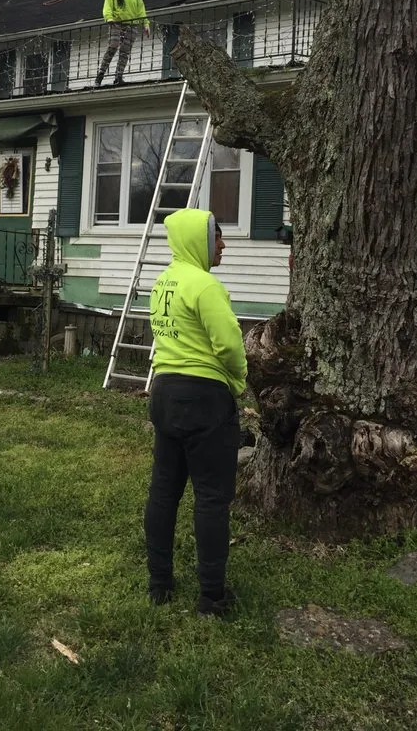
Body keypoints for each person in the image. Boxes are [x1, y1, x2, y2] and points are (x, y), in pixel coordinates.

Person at [145, 208, 247, 618]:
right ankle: (211, 597)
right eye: (217, 237)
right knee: (211, 497)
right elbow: (229, 345)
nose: (222, 245)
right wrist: (237, 383)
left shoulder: (161, 282)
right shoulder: (205, 286)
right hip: (205, 399)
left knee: (164, 491)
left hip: (164, 393)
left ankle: (159, 584)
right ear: (198, 241)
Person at [95, 0, 150, 87]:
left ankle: (118, 76)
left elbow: (140, 7)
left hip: (132, 24)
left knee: (125, 52)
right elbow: (107, 6)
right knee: (113, 47)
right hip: (116, 24)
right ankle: (100, 75)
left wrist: (146, 23)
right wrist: (108, 18)